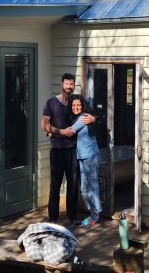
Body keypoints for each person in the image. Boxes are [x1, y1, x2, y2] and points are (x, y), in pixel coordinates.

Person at [41, 73, 94, 224]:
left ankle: (72, 216)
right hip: (57, 149)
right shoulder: (51, 103)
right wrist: (61, 131)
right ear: (61, 84)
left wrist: (93, 118)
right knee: (55, 184)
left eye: (71, 84)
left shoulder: (74, 104)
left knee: (73, 183)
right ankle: (53, 217)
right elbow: (44, 125)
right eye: (67, 84)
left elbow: (90, 115)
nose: (69, 87)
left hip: (73, 149)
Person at [58, 95, 102, 226]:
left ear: (82, 106)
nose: (76, 107)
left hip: (91, 155)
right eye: (73, 106)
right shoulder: (78, 118)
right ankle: (93, 212)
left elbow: (71, 132)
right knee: (83, 188)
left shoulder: (84, 117)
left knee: (92, 186)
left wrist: (53, 131)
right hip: (82, 156)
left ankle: (95, 215)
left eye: (78, 105)